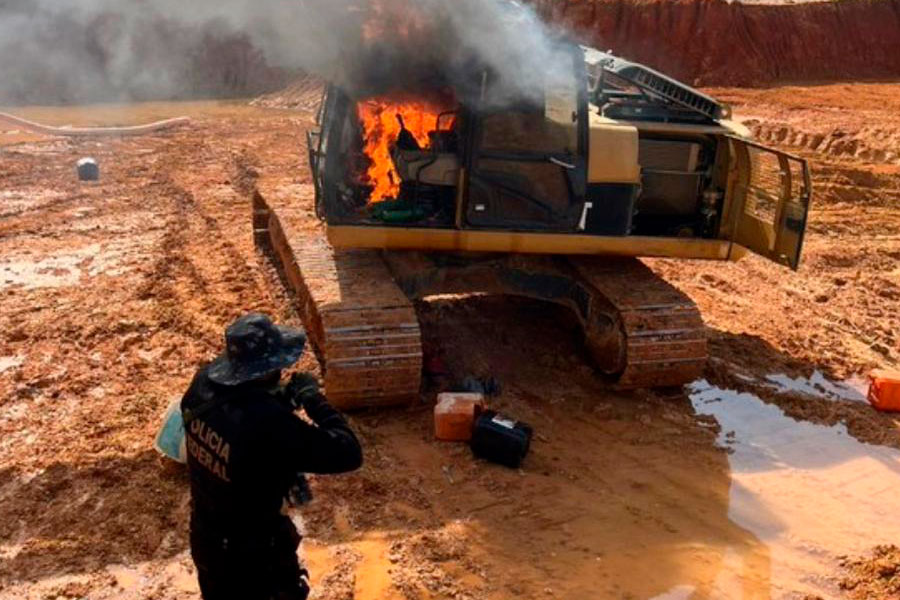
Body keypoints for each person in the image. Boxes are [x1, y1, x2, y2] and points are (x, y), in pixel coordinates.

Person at [181, 313, 363, 600]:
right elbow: (348, 452)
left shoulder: (201, 387)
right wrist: (313, 400)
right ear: (267, 370)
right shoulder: (268, 425)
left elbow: (236, 421)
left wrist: (276, 402)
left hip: (208, 541)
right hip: (254, 563)